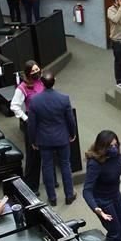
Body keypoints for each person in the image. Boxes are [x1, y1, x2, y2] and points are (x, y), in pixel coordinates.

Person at [26, 71, 77, 206]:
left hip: (44, 140)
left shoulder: (35, 101)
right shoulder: (64, 98)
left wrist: (33, 141)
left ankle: (52, 198)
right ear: (55, 81)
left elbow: (32, 125)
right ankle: (69, 195)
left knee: (47, 167)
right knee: (66, 165)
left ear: (42, 82)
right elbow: (70, 120)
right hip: (62, 138)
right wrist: (72, 134)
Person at [11, 60, 58, 192]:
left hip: (47, 122)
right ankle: (32, 186)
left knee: (50, 154)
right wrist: (27, 119)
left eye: (37, 69)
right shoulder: (23, 87)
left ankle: (52, 181)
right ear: (27, 73)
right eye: (33, 71)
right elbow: (14, 106)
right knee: (34, 156)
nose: (36, 72)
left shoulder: (43, 81)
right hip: (33, 124)